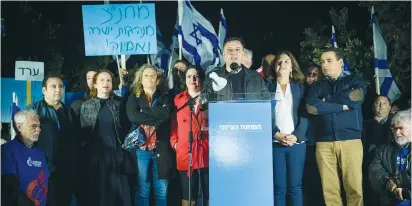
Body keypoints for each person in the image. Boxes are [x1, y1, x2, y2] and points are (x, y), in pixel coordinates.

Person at [306, 48, 368, 206]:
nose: (324, 65)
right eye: (322, 62)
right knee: (329, 192)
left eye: (328, 60)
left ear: (340, 62)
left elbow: (356, 98)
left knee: (354, 189)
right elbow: (312, 107)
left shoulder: (355, 79)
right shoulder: (318, 85)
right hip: (323, 142)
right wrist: (342, 105)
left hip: (351, 140)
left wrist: (326, 102)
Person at [79, 70, 134, 206]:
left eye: (108, 80)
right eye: (102, 80)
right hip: (96, 156)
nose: (106, 83)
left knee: (119, 193)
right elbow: (83, 133)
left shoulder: (120, 104)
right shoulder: (87, 105)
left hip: (117, 154)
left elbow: (126, 127)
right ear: (95, 85)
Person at [126, 64, 174, 206]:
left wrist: (144, 112)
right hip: (141, 149)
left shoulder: (165, 97)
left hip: (162, 149)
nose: (149, 78)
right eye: (146, 75)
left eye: (152, 75)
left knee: (161, 192)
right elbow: (134, 117)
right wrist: (157, 116)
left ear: (157, 80)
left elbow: (166, 115)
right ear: (140, 79)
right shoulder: (133, 98)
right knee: (142, 190)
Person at [28, 75, 77, 206]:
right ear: (44, 90)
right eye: (53, 86)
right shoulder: (34, 110)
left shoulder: (69, 111)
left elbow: (75, 139)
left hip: (65, 169)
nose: (58, 90)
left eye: (61, 86)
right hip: (42, 169)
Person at [267, 51, 308, 206]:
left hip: (296, 144)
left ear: (292, 67)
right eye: (279, 61)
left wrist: (296, 136)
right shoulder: (267, 87)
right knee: (279, 188)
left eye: (286, 61)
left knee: (295, 187)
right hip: (275, 143)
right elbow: (263, 115)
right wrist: (276, 134)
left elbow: (305, 115)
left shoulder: (301, 88)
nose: (282, 64)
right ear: (274, 66)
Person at [170, 66, 209, 206]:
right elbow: (173, 125)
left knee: (208, 191)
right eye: (189, 76)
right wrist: (175, 143)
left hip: (206, 150)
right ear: (184, 80)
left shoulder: (210, 98)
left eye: (196, 76)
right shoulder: (178, 100)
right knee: (188, 193)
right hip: (186, 151)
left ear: (201, 79)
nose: (192, 79)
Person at [2, 109, 50, 206]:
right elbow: (8, 188)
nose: (38, 129)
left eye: (39, 126)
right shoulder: (7, 150)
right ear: (19, 126)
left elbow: (48, 183)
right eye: (34, 126)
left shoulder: (40, 153)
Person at [202, 37, 269, 101]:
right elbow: (204, 105)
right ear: (223, 54)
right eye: (229, 50)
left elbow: (266, 101)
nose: (233, 53)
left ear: (242, 53)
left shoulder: (256, 77)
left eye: (237, 49)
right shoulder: (212, 78)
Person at [369, 109, 411, 206]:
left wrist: (405, 191)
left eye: (401, 128)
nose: (397, 132)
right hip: (390, 201)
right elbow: (374, 172)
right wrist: (389, 184)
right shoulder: (382, 150)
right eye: (394, 129)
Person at [302, 63, 324, 206]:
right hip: (305, 141)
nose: (311, 78)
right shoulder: (301, 91)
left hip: (322, 141)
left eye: (314, 75)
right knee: (306, 179)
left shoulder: (325, 91)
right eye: (309, 74)